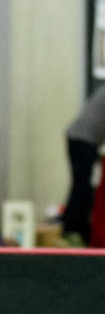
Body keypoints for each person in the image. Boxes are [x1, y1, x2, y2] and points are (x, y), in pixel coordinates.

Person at [60, 86, 105, 246]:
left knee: (84, 186)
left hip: (83, 139)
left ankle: (80, 231)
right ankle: (72, 231)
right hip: (82, 140)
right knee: (81, 186)